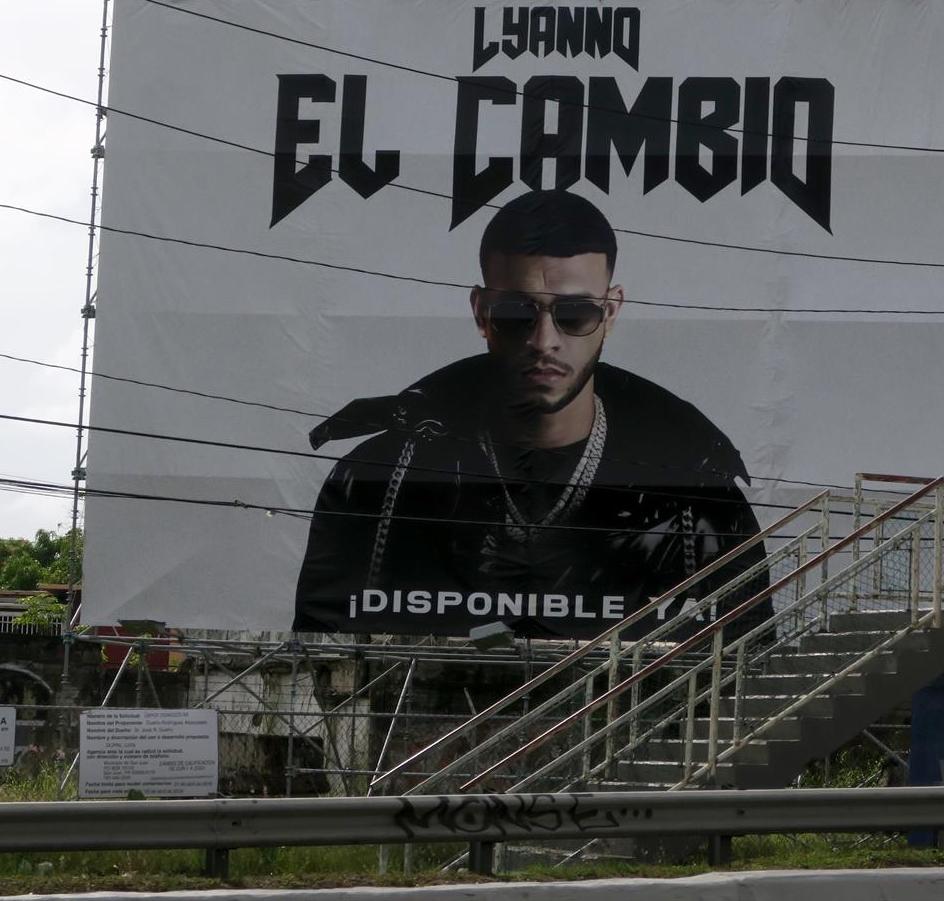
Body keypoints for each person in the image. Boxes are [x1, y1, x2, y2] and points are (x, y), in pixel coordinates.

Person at [292, 188, 767, 637]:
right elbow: (319, 649)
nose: (545, 342)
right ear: (481, 313)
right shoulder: (378, 479)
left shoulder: (697, 498)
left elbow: (751, 666)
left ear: (612, 312)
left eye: (576, 313)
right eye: (518, 314)